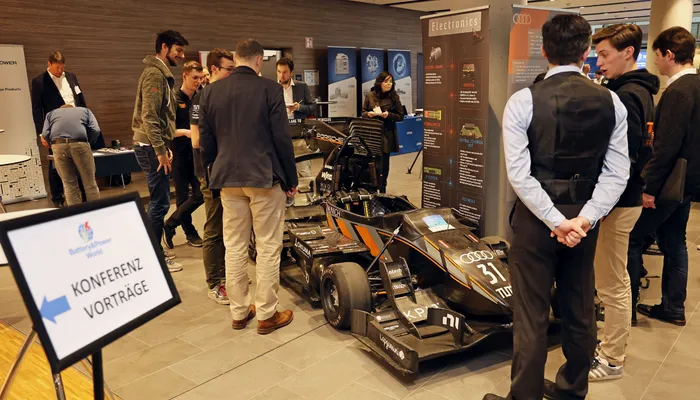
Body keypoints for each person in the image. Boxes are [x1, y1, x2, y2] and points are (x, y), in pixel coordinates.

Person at [483, 14, 630, 400]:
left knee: (531, 313)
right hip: (584, 221)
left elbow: (519, 175)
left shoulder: (523, 101)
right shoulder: (612, 101)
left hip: (536, 222)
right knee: (580, 306)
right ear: (586, 51)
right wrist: (584, 219)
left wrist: (554, 220)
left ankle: (525, 395)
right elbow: (618, 173)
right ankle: (571, 390)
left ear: (544, 50)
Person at [199, 39, 298, 334]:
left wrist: (212, 173)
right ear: (258, 61)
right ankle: (267, 314)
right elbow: (282, 139)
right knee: (267, 245)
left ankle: (239, 312)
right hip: (264, 178)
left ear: (236, 58)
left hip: (227, 179)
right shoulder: (270, 89)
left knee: (234, 246)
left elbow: (206, 142)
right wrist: (291, 180)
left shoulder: (211, 91)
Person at [589, 23, 659, 381]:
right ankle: (609, 351)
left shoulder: (628, 95)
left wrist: (602, 204)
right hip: (622, 199)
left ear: (628, 52)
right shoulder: (637, 90)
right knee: (613, 278)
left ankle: (612, 359)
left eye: (605, 54)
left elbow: (624, 159)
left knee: (612, 282)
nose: (599, 62)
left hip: (618, 202)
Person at [633, 26, 700, 327]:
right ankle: (673, 306)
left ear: (670, 55)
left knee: (634, 238)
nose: (656, 62)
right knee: (675, 242)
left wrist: (649, 187)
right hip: (686, 183)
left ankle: (628, 306)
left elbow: (666, 147)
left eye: (657, 55)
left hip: (669, 183)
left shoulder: (678, 91)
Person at [132, 30, 188, 273]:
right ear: (164, 47)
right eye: (178, 50)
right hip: (149, 147)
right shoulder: (155, 75)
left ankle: (152, 251)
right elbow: (149, 116)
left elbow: (161, 117)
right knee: (159, 203)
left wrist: (163, 146)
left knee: (160, 202)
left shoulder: (161, 74)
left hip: (153, 146)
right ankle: (154, 255)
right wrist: (160, 151)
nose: (182, 56)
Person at [190, 48, 236, 305]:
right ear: (215, 69)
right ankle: (215, 282)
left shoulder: (226, 95)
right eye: (229, 69)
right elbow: (197, 141)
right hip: (210, 173)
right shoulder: (201, 98)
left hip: (228, 171)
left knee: (230, 227)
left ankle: (227, 275)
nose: (233, 73)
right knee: (215, 228)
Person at [31, 51, 87, 208]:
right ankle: (57, 197)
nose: (60, 71)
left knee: (80, 159)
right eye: (57, 68)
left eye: (62, 68)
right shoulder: (39, 82)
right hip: (56, 127)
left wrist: (86, 120)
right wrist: (42, 133)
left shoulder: (71, 77)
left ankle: (83, 194)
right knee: (56, 162)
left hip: (77, 125)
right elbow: (37, 110)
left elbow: (80, 99)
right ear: (49, 64)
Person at [162, 61, 205, 250]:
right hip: (178, 153)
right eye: (195, 78)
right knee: (181, 196)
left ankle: (170, 223)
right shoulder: (173, 98)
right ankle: (190, 232)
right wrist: (187, 132)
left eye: (200, 78)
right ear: (185, 76)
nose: (198, 81)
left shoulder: (200, 97)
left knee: (200, 193)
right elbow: (166, 130)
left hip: (197, 153)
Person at [40, 105, 101, 206]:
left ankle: (75, 212)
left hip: (58, 145)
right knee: (90, 182)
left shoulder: (50, 114)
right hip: (80, 143)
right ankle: (95, 210)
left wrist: (53, 145)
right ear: (73, 108)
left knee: (69, 184)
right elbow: (96, 129)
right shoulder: (85, 111)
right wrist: (88, 142)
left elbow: (45, 133)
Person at [361, 71, 405, 193]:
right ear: (380, 82)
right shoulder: (370, 95)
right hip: (372, 133)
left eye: (391, 81)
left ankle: (382, 188)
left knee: (383, 164)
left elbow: (401, 116)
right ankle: (371, 188)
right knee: (371, 162)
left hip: (386, 134)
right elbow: (363, 112)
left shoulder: (394, 97)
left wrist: (388, 115)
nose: (389, 84)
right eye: (386, 81)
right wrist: (368, 114)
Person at [276, 57, 316, 177]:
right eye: (279, 72)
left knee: (304, 171)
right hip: (279, 135)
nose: (281, 75)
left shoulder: (302, 87)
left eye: (285, 72)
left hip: (299, 135)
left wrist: (299, 107)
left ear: (291, 72)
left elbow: (313, 107)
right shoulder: (272, 87)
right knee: (282, 172)